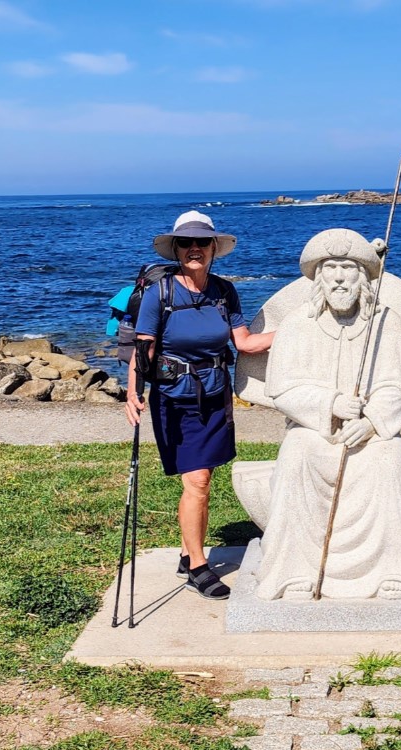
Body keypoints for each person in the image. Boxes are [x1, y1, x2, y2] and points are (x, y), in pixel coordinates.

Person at [252, 228, 401, 601]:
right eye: (330, 268)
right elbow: (282, 388)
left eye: (348, 268)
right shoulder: (298, 325)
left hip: (370, 433)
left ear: (362, 276)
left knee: (391, 458)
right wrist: (328, 403)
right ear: (318, 276)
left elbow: (398, 386)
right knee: (297, 455)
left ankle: (397, 569)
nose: (338, 277)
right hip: (312, 431)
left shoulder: (386, 323)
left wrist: (370, 422)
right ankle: (293, 571)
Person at [124, 210, 273, 600]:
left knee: (204, 481)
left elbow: (244, 343)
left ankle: (189, 553)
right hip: (175, 398)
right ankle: (198, 567)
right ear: (176, 249)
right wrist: (132, 392)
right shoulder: (161, 294)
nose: (195, 249)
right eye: (187, 243)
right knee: (199, 482)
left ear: (213, 249)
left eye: (202, 243)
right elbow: (145, 349)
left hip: (215, 395)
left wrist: (305, 325)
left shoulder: (224, 292)